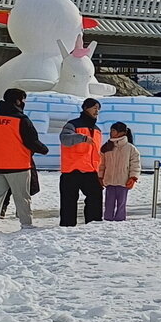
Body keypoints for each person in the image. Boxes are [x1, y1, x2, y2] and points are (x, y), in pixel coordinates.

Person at [0, 88, 48, 234]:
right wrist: (44, 149)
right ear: (18, 101)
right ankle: (26, 224)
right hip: (18, 165)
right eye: (23, 100)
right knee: (22, 197)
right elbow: (31, 141)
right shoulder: (21, 120)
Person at [60, 97, 105, 226]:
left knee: (95, 198)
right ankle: (67, 228)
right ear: (86, 108)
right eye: (94, 108)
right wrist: (82, 138)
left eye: (98, 109)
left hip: (91, 170)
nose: (97, 111)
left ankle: (93, 225)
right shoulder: (72, 124)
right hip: (72, 170)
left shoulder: (97, 130)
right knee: (68, 202)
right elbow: (64, 139)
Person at [98, 122, 141, 222]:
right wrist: (100, 176)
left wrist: (133, 178)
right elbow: (101, 164)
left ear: (121, 132)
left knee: (121, 203)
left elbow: (135, 164)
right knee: (109, 203)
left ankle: (120, 221)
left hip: (123, 181)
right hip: (109, 181)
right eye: (111, 130)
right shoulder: (106, 147)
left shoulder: (131, 148)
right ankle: (107, 219)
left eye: (113, 130)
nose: (111, 133)